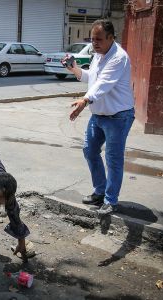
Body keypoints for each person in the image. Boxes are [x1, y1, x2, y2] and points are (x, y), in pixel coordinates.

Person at [66, 19, 135, 216]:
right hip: (99, 115)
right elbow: (92, 78)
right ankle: (100, 191)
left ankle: (110, 201)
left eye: (99, 39)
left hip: (118, 116)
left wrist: (85, 100)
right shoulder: (98, 55)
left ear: (111, 38)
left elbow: (103, 84)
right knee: (90, 151)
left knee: (113, 159)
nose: (94, 43)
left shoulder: (118, 57)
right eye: (92, 39)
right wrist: (74, 69)